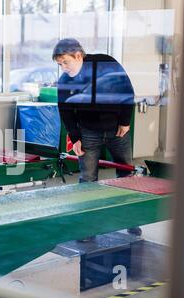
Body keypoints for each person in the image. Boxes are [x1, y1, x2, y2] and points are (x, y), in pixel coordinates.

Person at [53, 38, 142, 238]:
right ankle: (87, 227)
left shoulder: (106, 64)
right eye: (59, 65)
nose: (63, 68)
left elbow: (127, 91)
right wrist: (75, 138)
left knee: (126, 175)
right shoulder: (65, 81)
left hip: (117, 130)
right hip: (88, 133)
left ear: (78, 55)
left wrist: (125, 121)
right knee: (87, 180)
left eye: (65, 62)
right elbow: (66, 112)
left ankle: (131, 220)